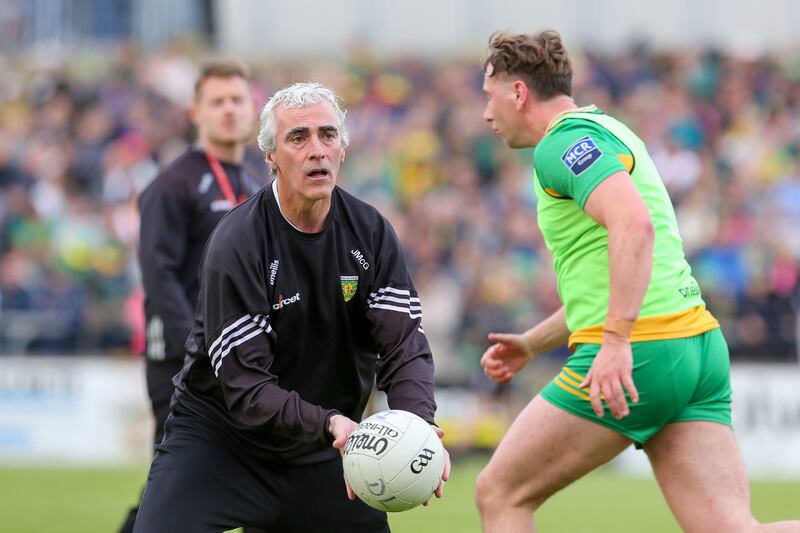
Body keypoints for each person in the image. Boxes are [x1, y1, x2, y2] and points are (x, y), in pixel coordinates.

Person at [475, 30, 800, 532]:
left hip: (646, 350)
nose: (486, 115)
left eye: (489, 97)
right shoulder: (610, 130)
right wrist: (532, 343)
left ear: (518, 93)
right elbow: (614, 274)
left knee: (499, 493)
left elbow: (635, 225)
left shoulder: (560, 143)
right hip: (696, 346)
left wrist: (616, 339)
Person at [132, 82, 450, 532]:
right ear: (271, 158)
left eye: (327, 135)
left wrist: (419, 426)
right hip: (222, 444)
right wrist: (330, 421)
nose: (316, 150)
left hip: (327, 449)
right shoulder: (237, 242)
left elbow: (403, 345)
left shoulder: (371, 232)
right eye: (298, 138)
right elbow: (245, 388)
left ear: (343, 149)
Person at [118, 61, 266, 533]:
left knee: (234, 478)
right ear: (195, 113)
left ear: (252, 110)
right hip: (183, 361)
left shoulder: (256, 184)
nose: (228, 110)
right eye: (217, 102)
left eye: (237, 100)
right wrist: (196, 351)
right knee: (174, 484)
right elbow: (158, 276)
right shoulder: (172, 184)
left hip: (239, 360)